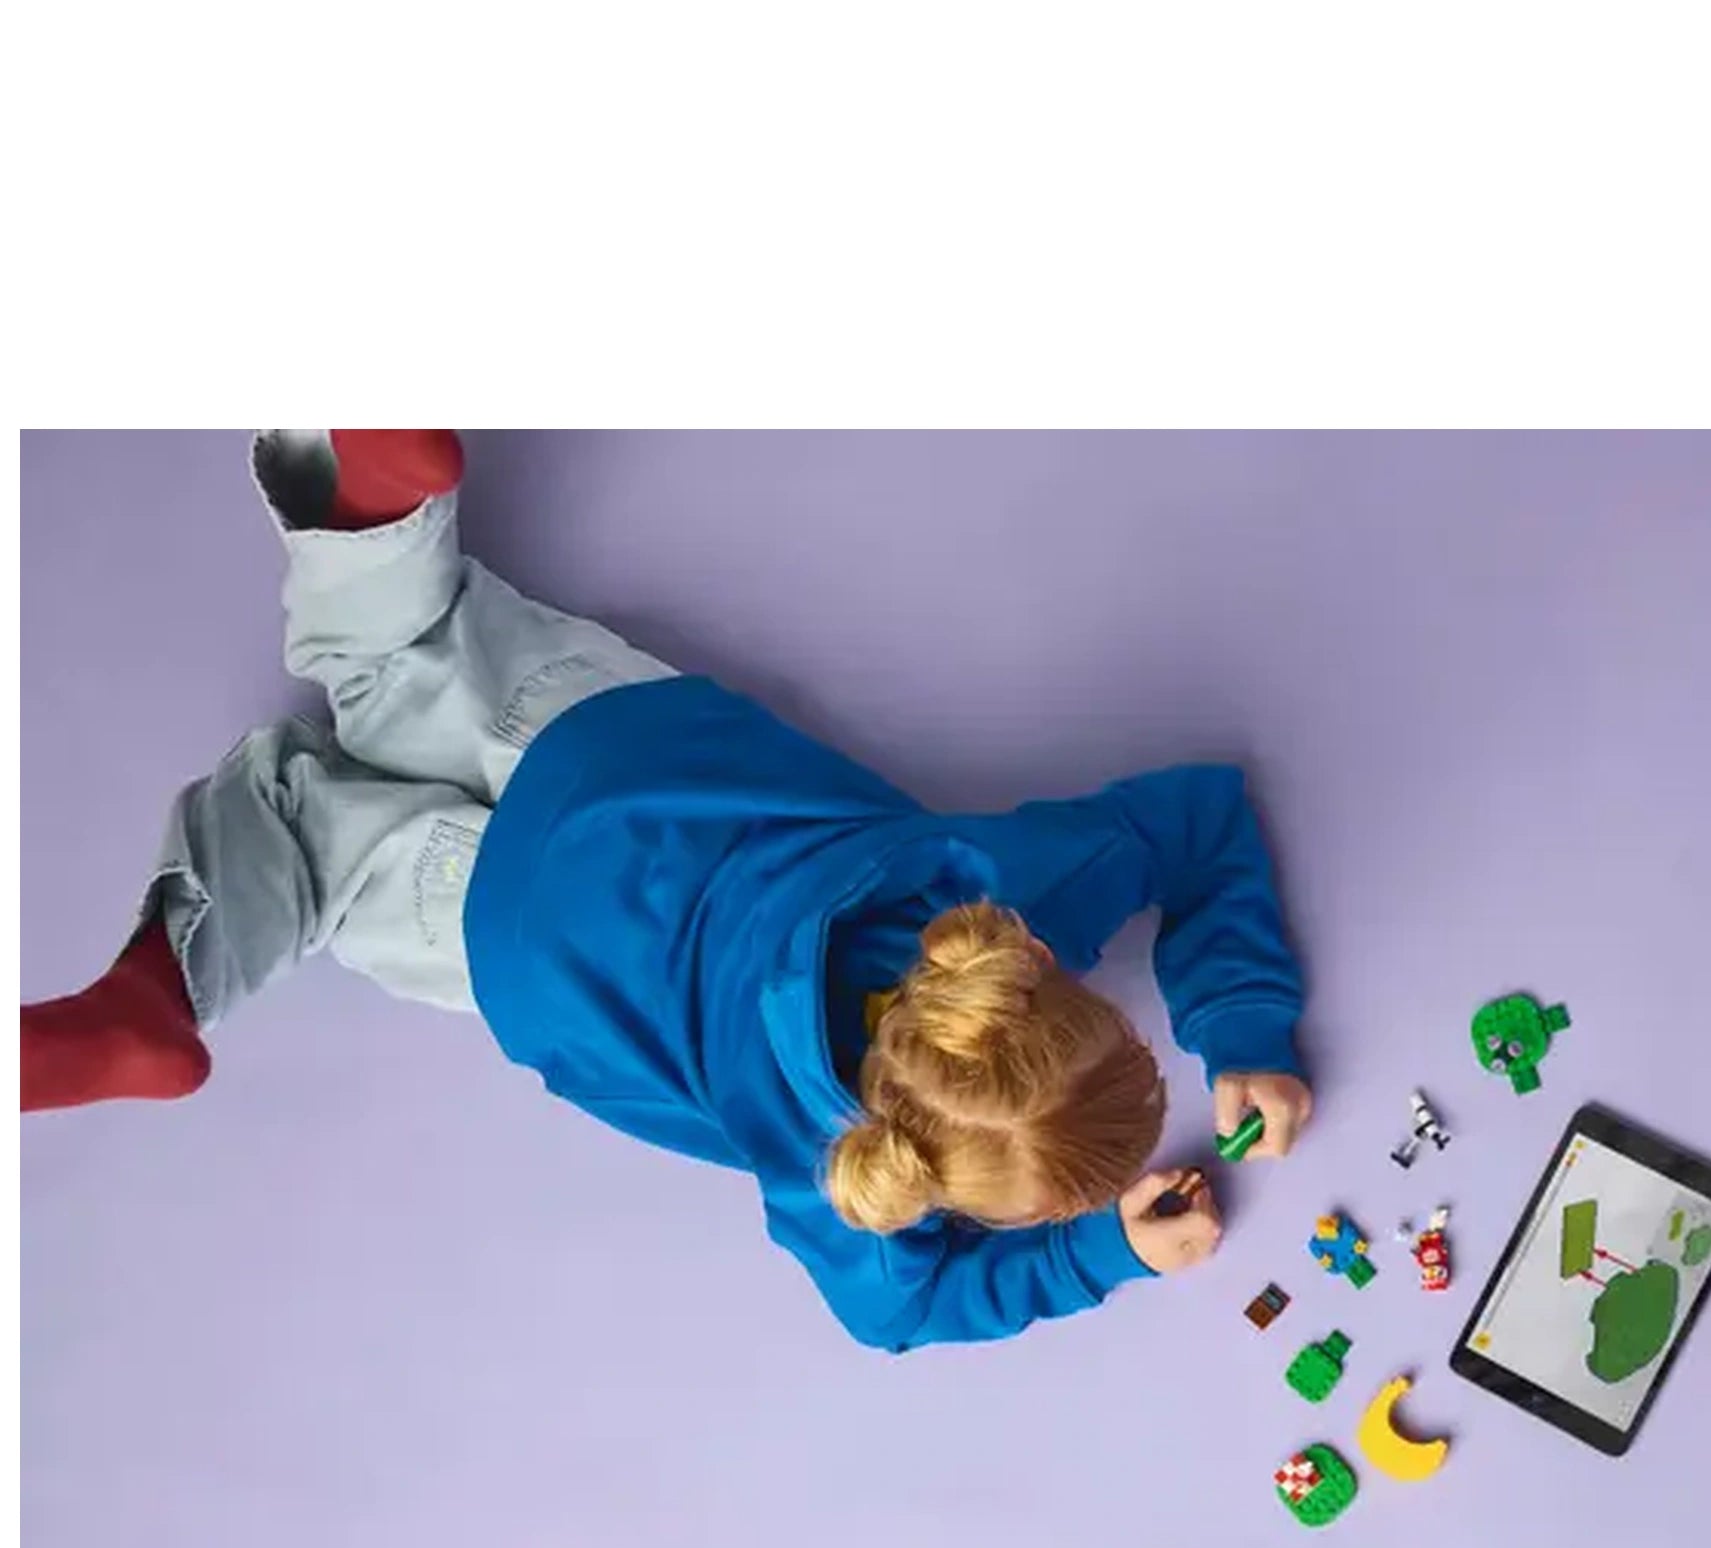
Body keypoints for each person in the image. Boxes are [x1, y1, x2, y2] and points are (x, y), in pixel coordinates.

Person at [20, 431, 1315, 1351]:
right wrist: (1103, 1250)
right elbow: (903, 1312)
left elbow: (1194, 822)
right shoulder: (830, 1171)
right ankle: (163, 985)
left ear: (1035, 978)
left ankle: (375, 514)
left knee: (409, 648)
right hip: (512, 937)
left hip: (607, 752)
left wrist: (1246, 1034)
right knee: (298, 838)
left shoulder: (1008, 890)